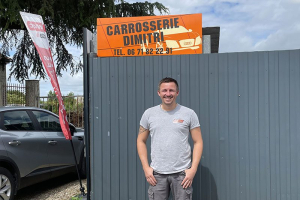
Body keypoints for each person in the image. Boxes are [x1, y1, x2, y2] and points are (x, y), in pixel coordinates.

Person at [137, 77, 203, 200]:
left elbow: (198, 142)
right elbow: (140, 141)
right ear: (159, 93)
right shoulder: (149, 114)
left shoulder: (189, 114)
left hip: (182, 175)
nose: (168, 94)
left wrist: (193, 169)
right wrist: (146, 168)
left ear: (177, 92)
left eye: (171, 90)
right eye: (164, 90)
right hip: (157, 175)